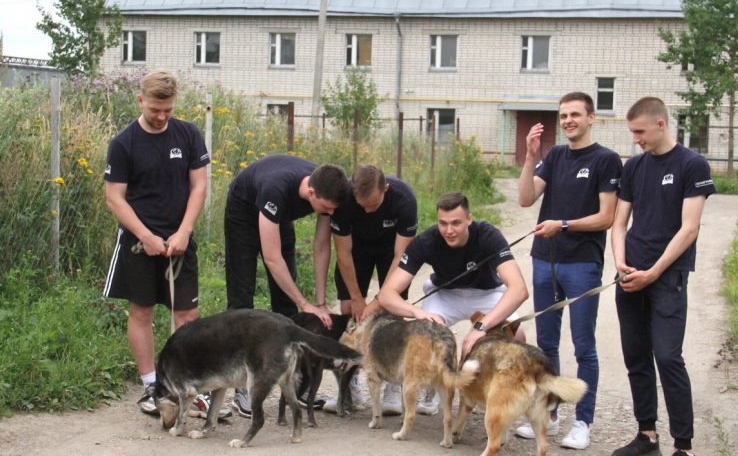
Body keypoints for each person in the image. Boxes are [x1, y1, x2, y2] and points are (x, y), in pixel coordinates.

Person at [515, 92, 622, 449]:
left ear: (592, 118)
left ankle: (583, 421)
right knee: (546, 343)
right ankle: (549, 413)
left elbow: (606, 217)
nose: (568, 121)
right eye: (563, 116)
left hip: (582, 263)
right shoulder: (556, 155)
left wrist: (562, 224)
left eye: (575, 114)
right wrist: (531, 158)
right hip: (544, 258)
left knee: (583, 344)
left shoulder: (606, 160)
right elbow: (526, 198)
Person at [103, 69, 211, 416]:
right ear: (140, 101)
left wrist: (184, 231)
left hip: (180, 239)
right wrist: (146, 236)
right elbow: (114, 198)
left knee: (188, 314)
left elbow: (199, 186)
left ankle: (191, 386)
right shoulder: (123, 143)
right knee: (142, 311)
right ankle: (151, 385)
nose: (162, 116)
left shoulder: (189, 134)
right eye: (155, 110)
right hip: (139, 242)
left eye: (168, 109)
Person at [610, 97, 715, 456]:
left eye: (639, 131)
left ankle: (683, 446)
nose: (635, 138)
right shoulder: (634, 167)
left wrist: (653, 273)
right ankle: (647, 436)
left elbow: (690, 229)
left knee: (668, 357)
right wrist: (621, 264)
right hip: (631, 276)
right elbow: (619, 223)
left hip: (667, 278)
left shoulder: (692, 164)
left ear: (660, 124)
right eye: (632, 132)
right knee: (636, 355)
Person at [378, 192, 529, 415]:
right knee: (426, 336)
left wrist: (481, 327)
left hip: (486, 293)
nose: (449, 231)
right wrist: (417, 313)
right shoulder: (427, 240)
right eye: (443, 223)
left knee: (518, 337)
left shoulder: (488, 235)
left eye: (456, 223)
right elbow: (386, 294)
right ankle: (432, 388)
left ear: (469, 219)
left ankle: (500, 396)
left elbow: (519, 290)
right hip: (446, 294)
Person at [224, 153, 350, 417]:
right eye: (326, 209)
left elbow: (321, 247)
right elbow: (272, 258)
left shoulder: (328, 189)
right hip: (243, 211)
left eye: (333, 210)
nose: (330, 214)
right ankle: (242, 387)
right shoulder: (276, 187)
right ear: (311, 192)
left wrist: (319, 303)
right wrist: (304, 302)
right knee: (241, 301)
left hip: (278, 217)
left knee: (285, 305)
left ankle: (294, 385)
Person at [323, 165, 419, 415]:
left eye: (373, 206)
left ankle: (392, 386)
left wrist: (379, 300)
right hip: (357, 252)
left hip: (391, 253)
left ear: (385, 189)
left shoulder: (404, 200)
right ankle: (349, 385)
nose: (367, 210)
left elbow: (401, 255)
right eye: (362, 205)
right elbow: (342, 253)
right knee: (347, 311)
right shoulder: (345, 201)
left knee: (392, 313)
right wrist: (356, 298)